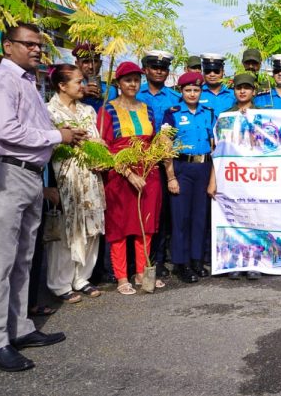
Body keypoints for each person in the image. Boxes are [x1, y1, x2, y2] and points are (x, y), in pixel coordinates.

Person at [0, 22, 84, 372]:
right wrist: (58, 135)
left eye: (39, 45)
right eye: (29, 44)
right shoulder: (0, 80)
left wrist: (57, 138)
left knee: (23, 259)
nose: (36, 49)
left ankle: (19, 328)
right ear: (8, 47)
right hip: (4, 173)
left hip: (28, 175)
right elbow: (7, 130)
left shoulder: (26, 82)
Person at [99, 62, 165, 296]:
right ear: (118, 83)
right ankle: (121, 277)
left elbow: (153, 139)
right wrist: (127, 173)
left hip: (148, 172)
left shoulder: (146, 108)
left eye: (136, 79)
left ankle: (141, 272)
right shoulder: (108, 109)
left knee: (145, 225)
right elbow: (103, 148)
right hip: (120, 173)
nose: (133, 84)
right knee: (119, 226)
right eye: (128, 80)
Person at [45, 64, 106, 303]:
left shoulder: (88, 111)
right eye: (78, 82)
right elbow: (46, 147)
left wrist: (101, 157)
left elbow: (97, 140)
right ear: (62, 85)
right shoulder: (49, 112)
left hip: (90, 176)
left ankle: (82, 278)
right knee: (66, 231)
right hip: (65, 177)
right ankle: (60, 284)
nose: (83, 86)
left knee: (91, 229)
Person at [209, 72, 262, 281]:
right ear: (234, 91)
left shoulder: (263, 115)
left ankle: (254, 262)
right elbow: (218, 152)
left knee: (256, 218)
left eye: (247, 88)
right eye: (239, 88)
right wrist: (213, 180)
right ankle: (234, 262)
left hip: (257, 176)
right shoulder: (225, 117)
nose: (242, 91)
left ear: (253, 91)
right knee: (233, 218)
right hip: (232, 176)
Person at [163, 73, 215, 284]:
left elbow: (213, 145)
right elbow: (165, 147)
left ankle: (196, 260)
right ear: (181, 91)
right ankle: (181, 263)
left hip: (203, 167)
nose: (192, 94)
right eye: (188, 90)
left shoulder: (208, 113)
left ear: (200, 92)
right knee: (181, 218)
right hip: (181, 168)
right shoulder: (173, 113)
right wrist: (171, 177)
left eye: (196, 90)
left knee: (199, 217)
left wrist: (212, 177)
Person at [137, 49, 180, 278]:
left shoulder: (175, 98)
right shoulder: (136, 95)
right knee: (141, 213)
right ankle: (140, 261)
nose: (159, 71)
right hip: (140, 162)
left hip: (166, 163)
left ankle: (159, 260)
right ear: (145, 69)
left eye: (163, 68)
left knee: (163, 215)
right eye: (154, 67)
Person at [72, 42, 118, 112]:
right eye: (86, 62)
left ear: (100, 63)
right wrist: (82, 94)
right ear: (77, 64)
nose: (91, 66)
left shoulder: (111, 90)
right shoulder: (70, 90)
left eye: (95, 61)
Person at [199, 52, 235, 116]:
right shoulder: (197, 93)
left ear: (223, 72)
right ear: (203, 73)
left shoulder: (233, 94)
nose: (212, 74)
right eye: (208, 71)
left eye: (216, 71)